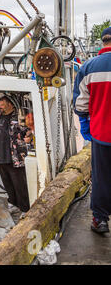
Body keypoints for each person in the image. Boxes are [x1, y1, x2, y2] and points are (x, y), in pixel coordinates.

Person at [73, 27, 111, 234]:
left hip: (101, 135)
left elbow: (80, 104)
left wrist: (86, 127)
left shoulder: (88, 67)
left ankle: (100, 220)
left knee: (101, 177)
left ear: (102, 43)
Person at [0, 96, 32, 218]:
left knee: (19, 184)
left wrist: (28, 136)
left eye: (2, 105)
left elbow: (28, 130)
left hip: (15, 156)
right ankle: (13, 204)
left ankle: (25, 208)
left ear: (10, 104)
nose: (0, 107)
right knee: (7, 182)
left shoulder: (18, 116)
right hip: (0, 155)